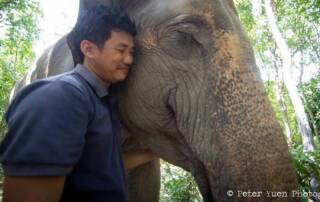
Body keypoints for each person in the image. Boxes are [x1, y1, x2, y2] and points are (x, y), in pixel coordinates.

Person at [0, 5, 157, 202]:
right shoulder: (60, 97)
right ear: (88, 49)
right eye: (120, 50)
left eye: (132, 52)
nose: (128, 59)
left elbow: (96, 167)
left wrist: (150, 153)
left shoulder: (99, 101)